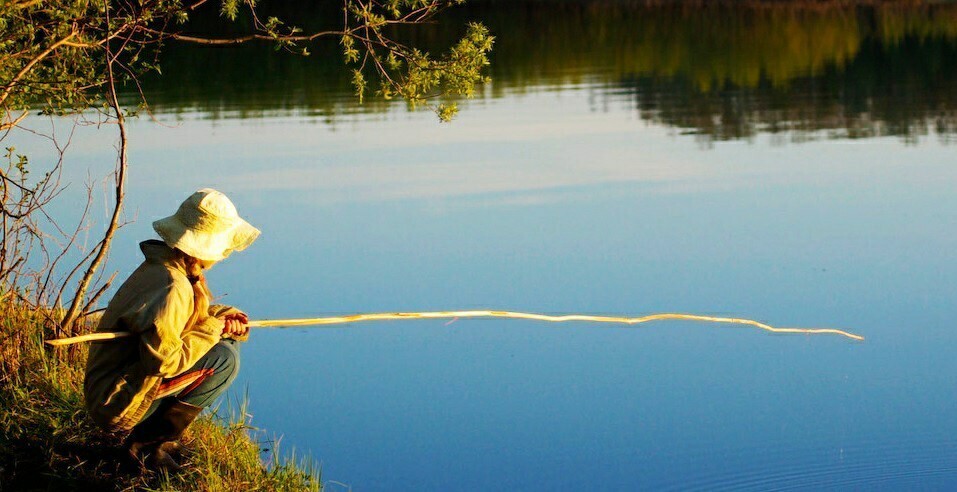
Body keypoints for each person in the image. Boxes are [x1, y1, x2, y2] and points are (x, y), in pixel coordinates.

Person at [83, 188, 260, 470]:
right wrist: (214, 327)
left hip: (114, 386)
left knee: (227, 343)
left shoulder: (168, 267)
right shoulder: (172, 286)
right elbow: (164, 362)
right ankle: (146, 447)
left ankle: (157, 441)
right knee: (225, 360)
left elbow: (178, 323)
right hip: (114, 403)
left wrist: (220, 319)